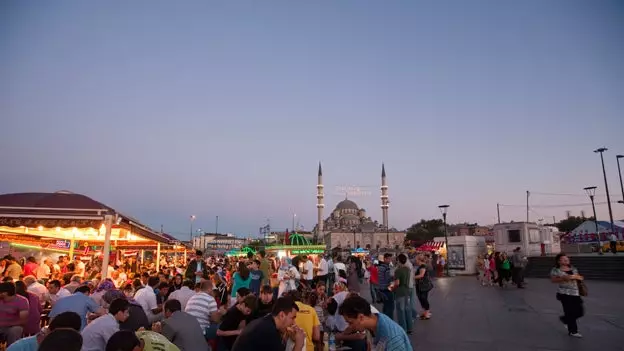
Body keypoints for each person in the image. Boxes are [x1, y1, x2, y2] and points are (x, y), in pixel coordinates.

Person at [339, 295, 412, 351]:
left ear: (361, 317)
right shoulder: (375, 319)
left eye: (350, 323)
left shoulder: (391, 339)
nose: (350, 327)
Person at [232, 297, 305, 351]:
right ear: (282, 315)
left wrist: (286, 336)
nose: (293, 322)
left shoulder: (267, 322)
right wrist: (299, 345)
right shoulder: (269, 332)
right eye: (292, 318)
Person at [550, 253, 585, 338]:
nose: (566, 260)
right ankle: (573, 331)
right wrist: (563, 278)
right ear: (559, 261)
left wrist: (579, 278)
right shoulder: (556, 270)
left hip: (575, 293)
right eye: (564, 259)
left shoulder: (573, 268)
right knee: (569, 312)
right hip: (564, 294)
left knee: (580, 311)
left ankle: (565, 319)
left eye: (567, 258)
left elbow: (579, 277)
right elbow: (553, 280)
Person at [0, 281, 30, 346]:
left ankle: (12, 348)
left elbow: (23, 321)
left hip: (13, 326)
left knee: (15, 330)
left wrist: (6, 324)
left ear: (5, 293)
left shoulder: (22, 301)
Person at [393, 254, 412, 334]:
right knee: (407, 309)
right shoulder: (408, 269)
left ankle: (403, 328)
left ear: (399, 261)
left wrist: (391, 288)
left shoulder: (398, 271)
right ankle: (409, 328)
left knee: (400, 311)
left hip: (400, 291)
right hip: (407, 291)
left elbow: (397, 283)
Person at [414, 254, 433, 320]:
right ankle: (425, 312)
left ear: (419, 260)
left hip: (423, 286)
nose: (415, 261)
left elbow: (421, 275)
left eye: (416, 259)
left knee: (423, 298)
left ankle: (427, 313)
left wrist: (412, 277)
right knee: (422, 298)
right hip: (421, 285)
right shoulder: (420, 266)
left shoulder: (422, 266)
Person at [376, 253, 395, 317]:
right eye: (389, 259)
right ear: (385, 259)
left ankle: (385, 319)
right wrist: (392, 288)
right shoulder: (386, 268)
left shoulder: (380, 267)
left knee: (385, 306)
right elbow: (388, 280)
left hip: (381, 289)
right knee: (390, 307)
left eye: (391, 259)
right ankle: (389, 322)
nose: (390, 260)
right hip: (386, 289)